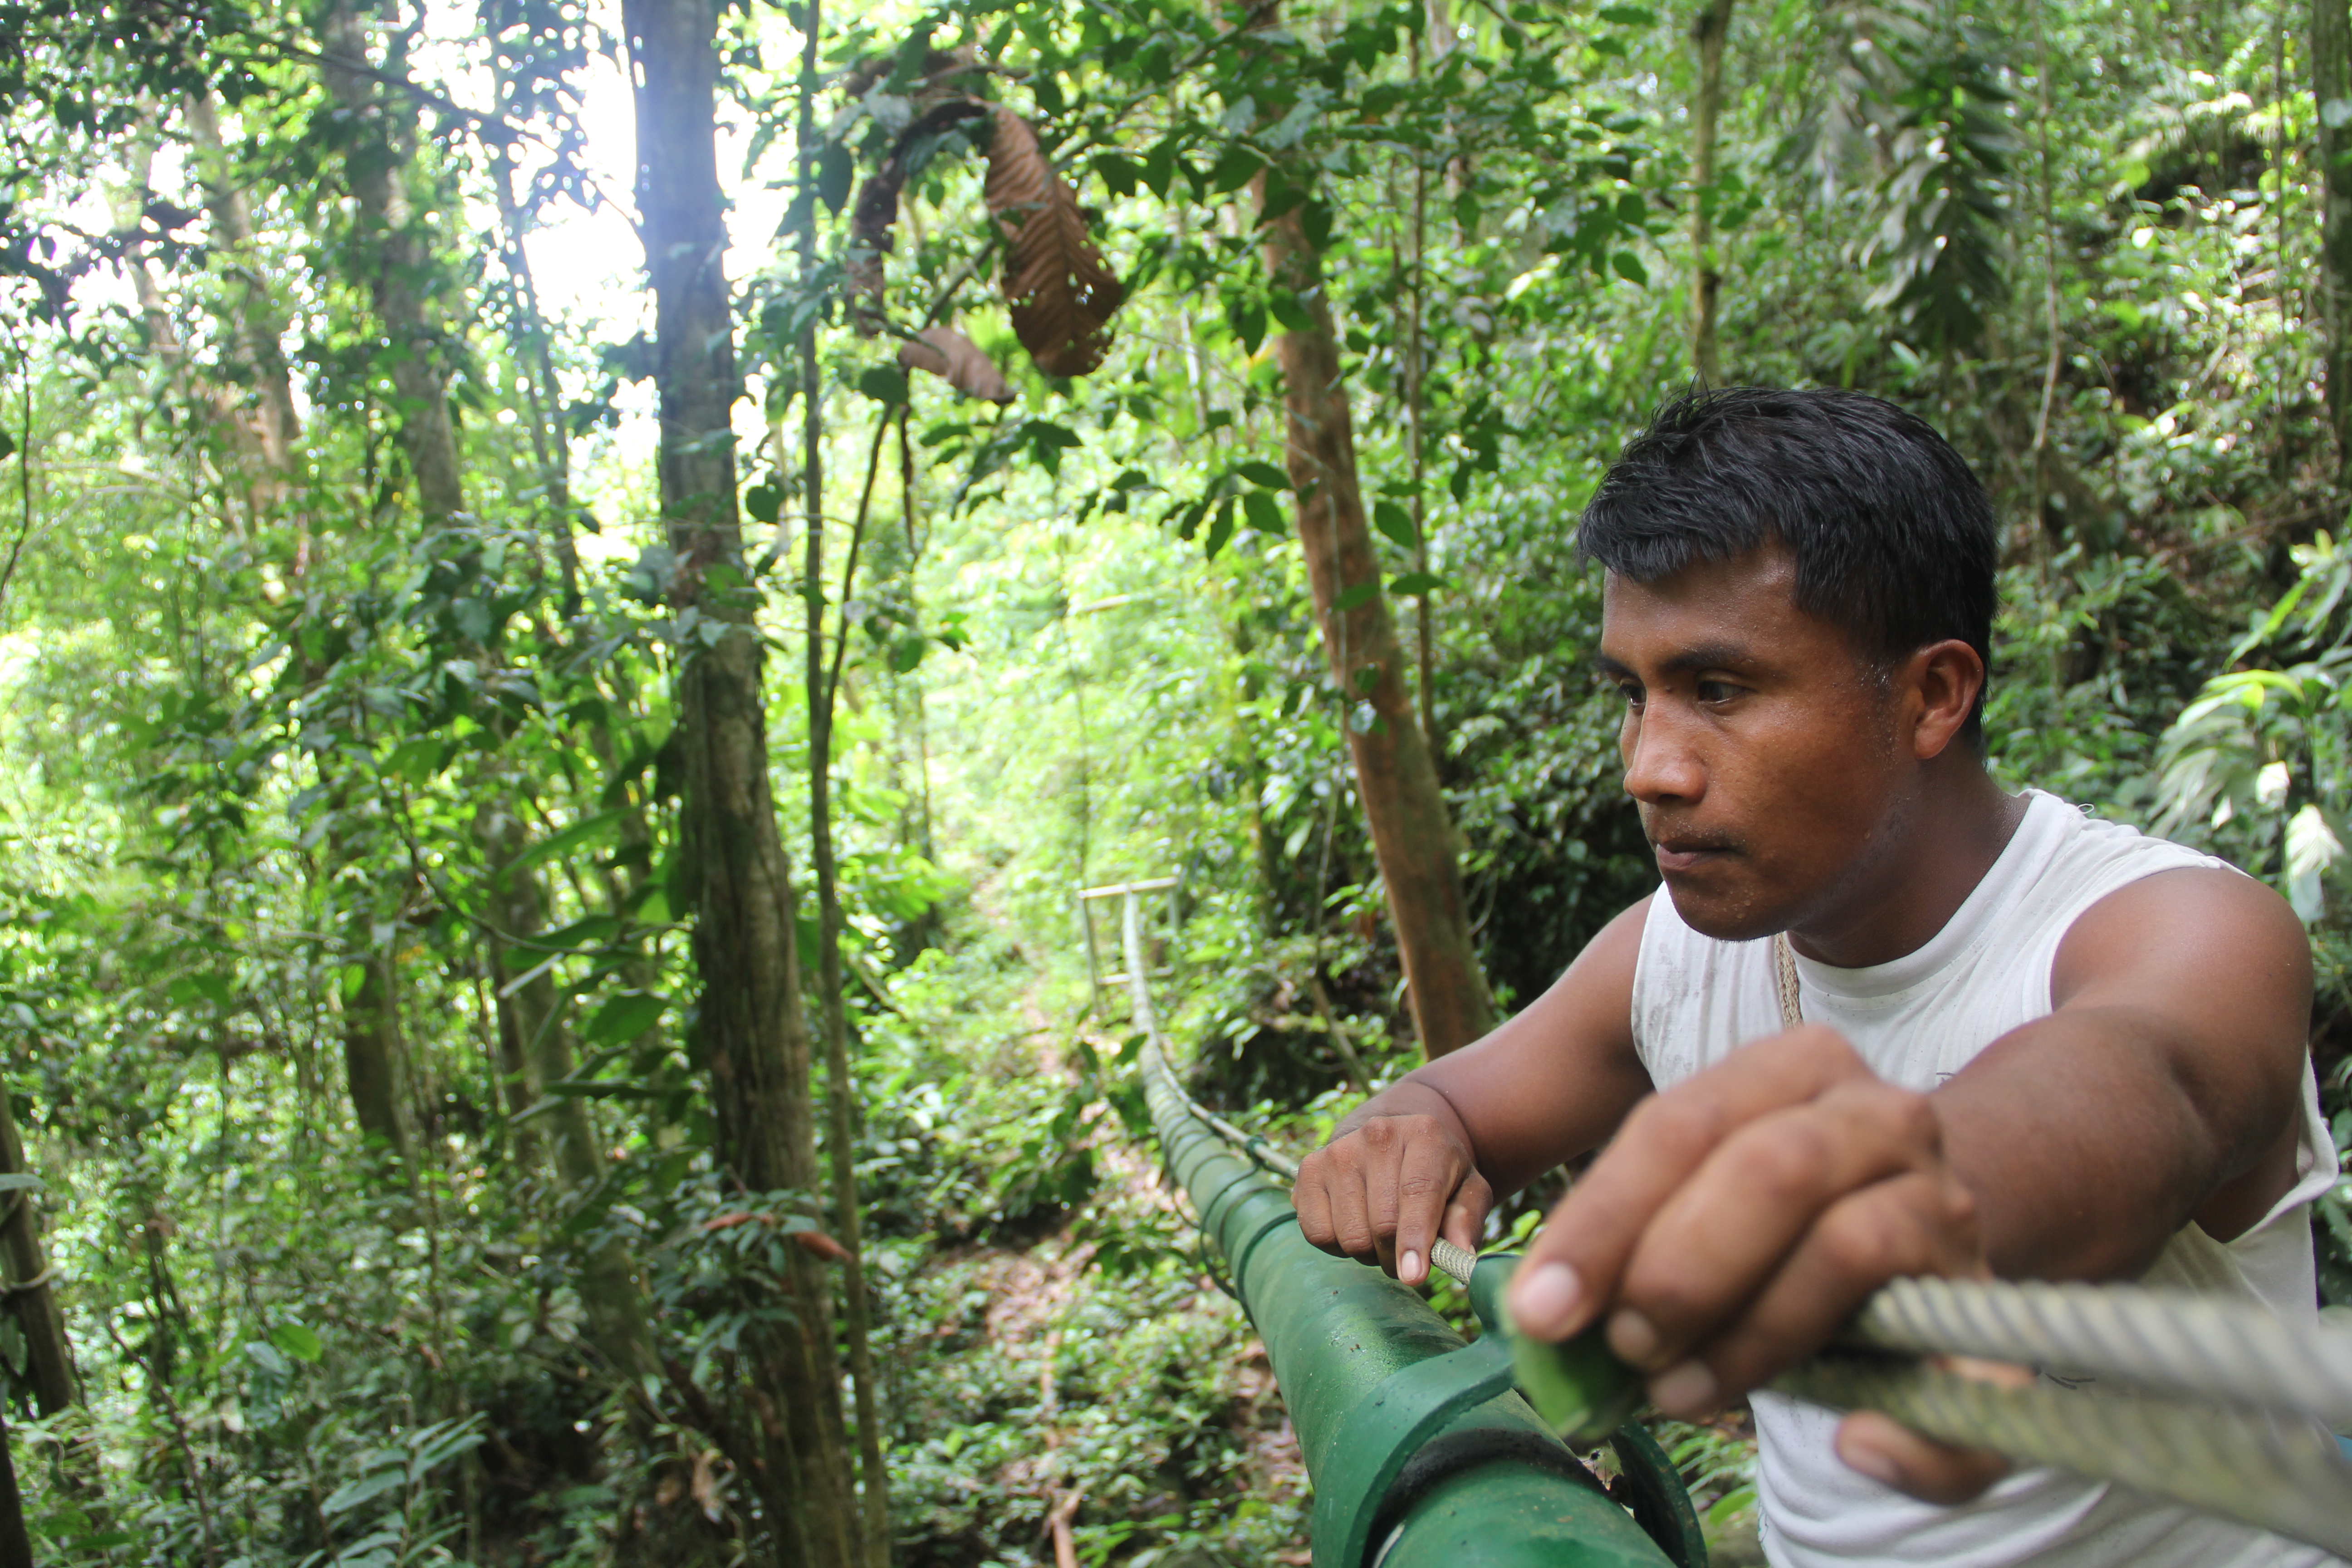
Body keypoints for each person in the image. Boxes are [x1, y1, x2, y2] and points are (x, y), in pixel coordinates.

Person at [1290, 387, 2340, 1567]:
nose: (1650, 767)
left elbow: (2152, 1079)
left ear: (1933, 694)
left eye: (1720, 690)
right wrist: (1403, 1136)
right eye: (1631, 695)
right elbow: (1450, 1103)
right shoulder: (1677, 954)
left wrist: (1931, 1187)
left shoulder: (2181, 926)